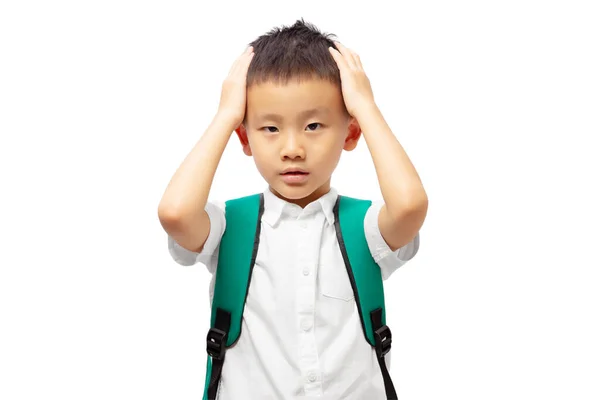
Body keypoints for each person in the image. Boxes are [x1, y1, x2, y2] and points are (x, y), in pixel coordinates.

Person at [158, 18, 428, 400]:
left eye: (314, 125)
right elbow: (175, 213)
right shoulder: (229, 228)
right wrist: (225, 115)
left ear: (349, 133)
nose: (292, 148)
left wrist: (365, 107)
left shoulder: (364, 229)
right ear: (244, 137)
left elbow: (410, 204)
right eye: (269, 129)